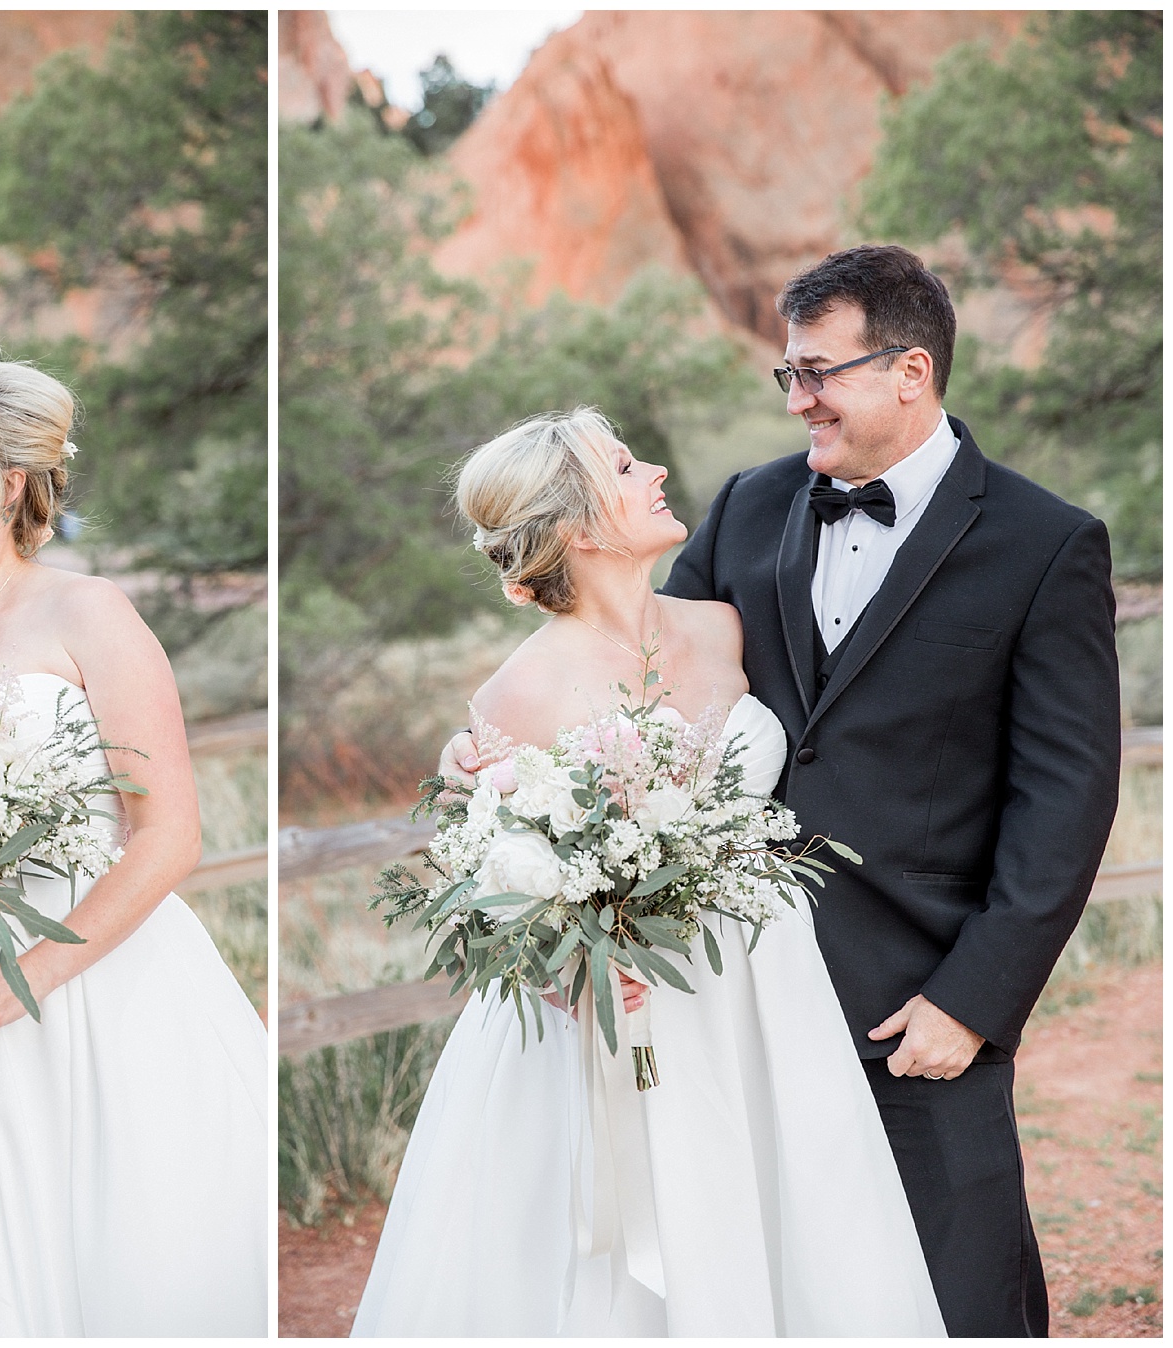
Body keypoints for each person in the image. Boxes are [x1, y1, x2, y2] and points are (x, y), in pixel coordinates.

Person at [444, 245, 1122, 1336]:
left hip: (914, 994)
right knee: (767, 1286)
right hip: (724, 1006)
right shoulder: (750, 507)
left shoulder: (1045, 545)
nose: (796, 397)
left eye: (818, 372)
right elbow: (630, 678)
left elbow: (1068, 796)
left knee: (961, 1296)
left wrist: (976, 999)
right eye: (788, 373)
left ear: (910, 371)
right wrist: (491, 765)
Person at [357, 408, 946, 1336]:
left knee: (789, 1208)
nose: (657, 473)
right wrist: (563, 974)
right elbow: (491, 870)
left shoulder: (723, 628)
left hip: (765, 980)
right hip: (621, 1001)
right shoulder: (522, 689)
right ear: (580, 529)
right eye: (627, 468)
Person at [0, 354, 268, 1336]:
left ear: (7, 479)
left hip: (96, 981)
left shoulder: (89, 613)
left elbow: (169, 834)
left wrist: (24, 976)